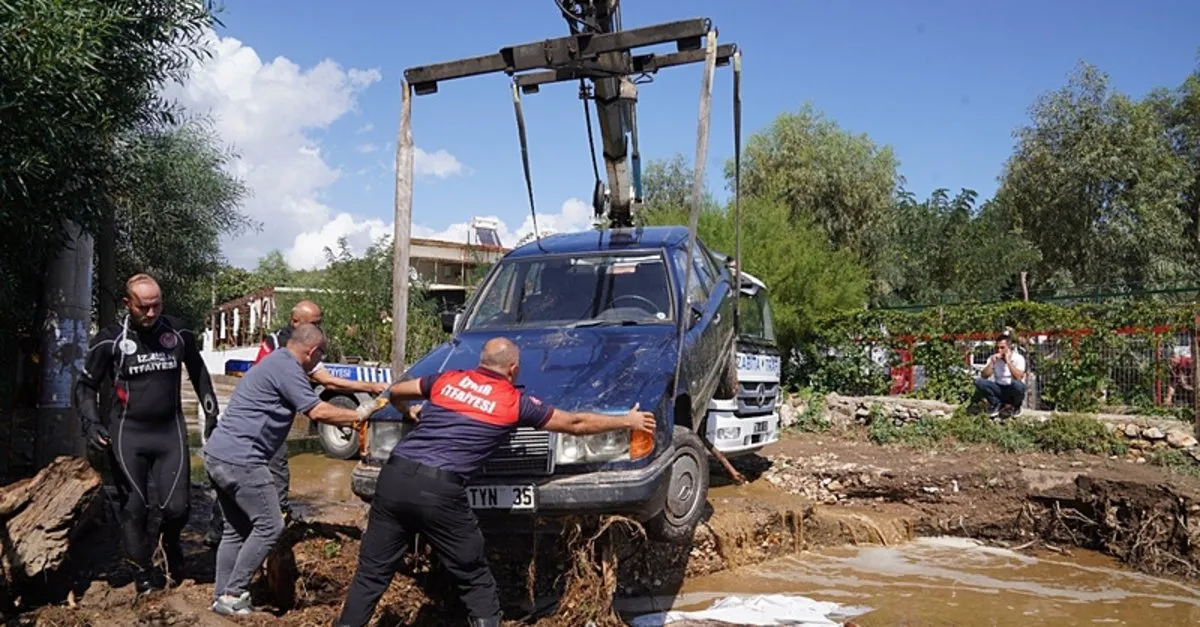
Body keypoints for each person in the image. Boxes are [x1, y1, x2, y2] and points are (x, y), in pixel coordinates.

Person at [335, 337, 657, 627]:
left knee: (370, 576)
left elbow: (397, 388)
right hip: (439, 492)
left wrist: (408, 413)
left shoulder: (447, 380)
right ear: (513, 369)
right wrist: (626, 420)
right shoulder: (513, 402)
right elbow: (574, 422)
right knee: (474, 578)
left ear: (480, 361)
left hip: (394, 478)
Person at [202, 323, 367, 616]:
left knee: (236, 529)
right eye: (319, 357)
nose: (319, 364)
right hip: (243, 460)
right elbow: (317, 411)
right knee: (270, 525)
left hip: (217, 454)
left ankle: (221, 597)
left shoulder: (276, 360)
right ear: (312, 351)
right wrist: (359, 415)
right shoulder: (288, 370)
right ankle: (233, 593)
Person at [74, 273, 220, 593]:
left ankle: (170, 543)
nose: (152, 313)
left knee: (177, 508)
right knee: (135, 507)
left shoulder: (178, 332)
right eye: (144, 307)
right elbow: (84, 386)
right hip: (128, 434)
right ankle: (142, 575)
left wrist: (211, 413)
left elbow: (198, 372)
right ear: (128, 304)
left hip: (169, 432)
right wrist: (91, 423)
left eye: (157, 305)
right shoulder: (110, 340)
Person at [203, 299, 386, 545]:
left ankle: (263, 530)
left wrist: (370, 386)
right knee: (260, 478)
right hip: (260, 426)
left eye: (319, 323)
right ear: (295, 322)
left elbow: (327, 379)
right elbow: (318, 402)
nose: (318, 328)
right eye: (314, 323)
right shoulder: (282, 346)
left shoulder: (302, 343)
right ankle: (253, 533)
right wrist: (359, 414)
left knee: (259, 479)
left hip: (270, 425)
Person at [972, 332, 1027, 418]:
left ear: (1008, 347)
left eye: (1002, 348)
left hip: (1012, 388)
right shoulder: (993, 358)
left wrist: (1008, 362)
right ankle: (996, 404)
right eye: (997, 348)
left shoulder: (1018, 358)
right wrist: (992, 363)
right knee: (979, 382)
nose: (999, 350)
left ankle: (1015, 406)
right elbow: (984, 376)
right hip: (999, 388)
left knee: (1018, 385)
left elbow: (1019, 377)